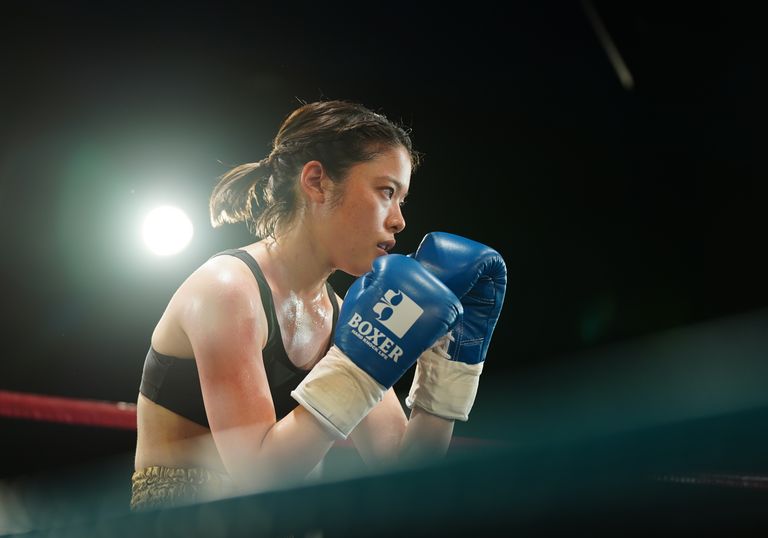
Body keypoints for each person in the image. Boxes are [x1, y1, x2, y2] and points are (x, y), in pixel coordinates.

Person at [131, 100, 506, 512]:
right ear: (316, 181)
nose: (399, 220)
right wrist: (358, 365)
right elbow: (259, 475)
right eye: (386, 191)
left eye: (402, 199)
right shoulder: (227, 290)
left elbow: (405, 474)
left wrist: (450, 365)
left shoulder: (345, 316)